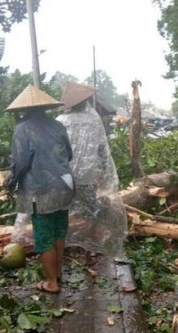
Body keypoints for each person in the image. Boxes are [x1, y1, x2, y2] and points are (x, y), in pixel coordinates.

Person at [4, 84, 74, 293]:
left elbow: (20, 162)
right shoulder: (58, 126)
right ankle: (57, 272)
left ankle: (51, 282)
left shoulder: (22, 129)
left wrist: (10, 182)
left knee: (44, 237)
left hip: (40, 190)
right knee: (59, 231)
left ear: (23, 110)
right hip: (64, 185)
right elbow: (68, 155)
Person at [56, 82, 127, 260]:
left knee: (64, 211)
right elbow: (103, 150)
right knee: (90, 211)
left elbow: (55, 150)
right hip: (87, 177)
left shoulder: (60, 122)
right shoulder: (93, 121)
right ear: (84, 102)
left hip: (64, 176)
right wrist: (104, 171)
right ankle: (89, 246)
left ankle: (66, 245)